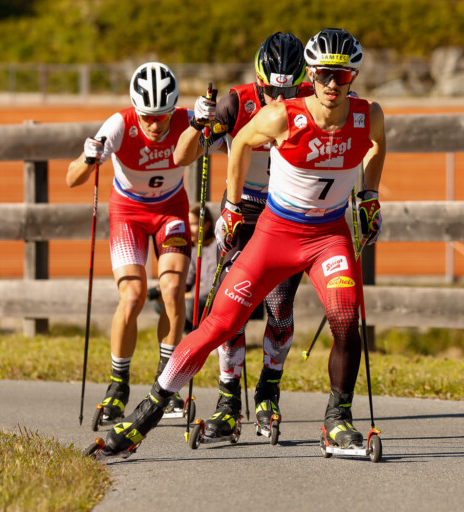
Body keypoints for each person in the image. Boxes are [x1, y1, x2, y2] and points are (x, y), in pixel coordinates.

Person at [92, 27, 385, 458]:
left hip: (328, 237)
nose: (331, 85)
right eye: (324, 76)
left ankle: (334, 419)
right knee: (220, 323)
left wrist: (370, 198)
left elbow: (377, 145)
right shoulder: (271, 111)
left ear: (353, 76)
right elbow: (226, 145)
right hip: (273, 229)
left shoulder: (365, 113)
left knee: (343, 319)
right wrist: (228, 202)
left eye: (341, 77)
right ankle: (151, 416)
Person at [172, 31, 314, 439]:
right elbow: (183, 155)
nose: (278, 101)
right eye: (271, 90)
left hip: (289, 217)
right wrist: (200, 122)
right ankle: (228, 399)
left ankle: (268, 392)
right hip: (245, 213)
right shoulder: (238, 102)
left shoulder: (312, 98)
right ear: (259, 79)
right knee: (227, 308)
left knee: (280, 306)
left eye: (287, 91)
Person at [67, 62, 204, 424]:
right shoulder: (119, 125)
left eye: (162, 116)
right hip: (128, 213)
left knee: (173, 289)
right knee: (132, 296)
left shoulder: (187, 121)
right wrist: (88, 157)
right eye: (147, 117)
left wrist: (210, 123)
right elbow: (72, 178)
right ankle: (117, 386)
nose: (155, 125)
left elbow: (227, 139)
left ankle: (167, 382)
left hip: (171, 211)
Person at [147, 203, 218, 334]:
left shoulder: (216, 248)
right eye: (187, 224)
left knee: (190, 305)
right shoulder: (193, 248)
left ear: (207, 225)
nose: (189, 229)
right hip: (198, 296)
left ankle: (207, 338)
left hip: (216, 299)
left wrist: (186, 295)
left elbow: (213, 288)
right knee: (159, 303)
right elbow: (186, 281)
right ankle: (190, 336)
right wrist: (163, 290)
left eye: (193, 224)